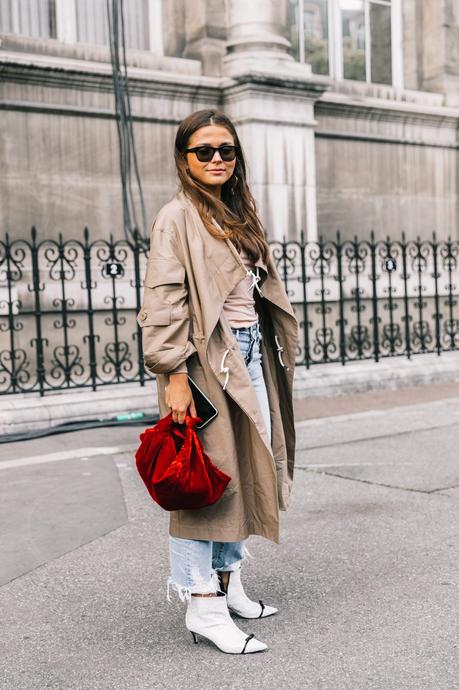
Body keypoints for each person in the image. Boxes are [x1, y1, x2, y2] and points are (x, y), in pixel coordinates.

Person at [137, 109, 298, 654]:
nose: (217, 160)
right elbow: (163, 300)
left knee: (246, 467)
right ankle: (202, 604)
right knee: (203, 484)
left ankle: (227, 585)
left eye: (226, 150)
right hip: (203, 364)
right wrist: (173, 374)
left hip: (248, 354)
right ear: (184, 158)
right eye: (203, 151)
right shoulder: (176, 217)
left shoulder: (233, 212)